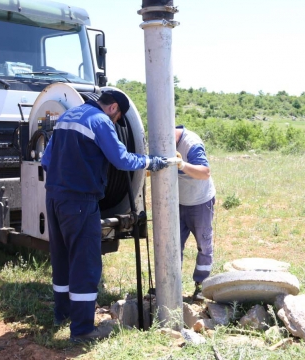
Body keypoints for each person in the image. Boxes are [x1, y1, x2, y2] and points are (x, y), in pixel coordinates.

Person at [40, 90, 169, 343]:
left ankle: (62, 315)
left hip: (54, 198)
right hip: (79, 202)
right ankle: (82, 330)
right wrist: (150, 162)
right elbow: (121, 160)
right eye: (117, 118)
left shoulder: (67, 116)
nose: (115, 122)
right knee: (85, 263)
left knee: (62, 258)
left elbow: (46, 160)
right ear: (113, 109)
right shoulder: (99, 121)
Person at [174, 125, 216, 301]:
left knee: (204, 245)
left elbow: (205, 172)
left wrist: (182, 164)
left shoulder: (191, 143)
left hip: (199, 202)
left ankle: (201, 285)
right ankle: (171, 286)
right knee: (173, 246)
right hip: (177, 202)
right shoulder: (163, 141)